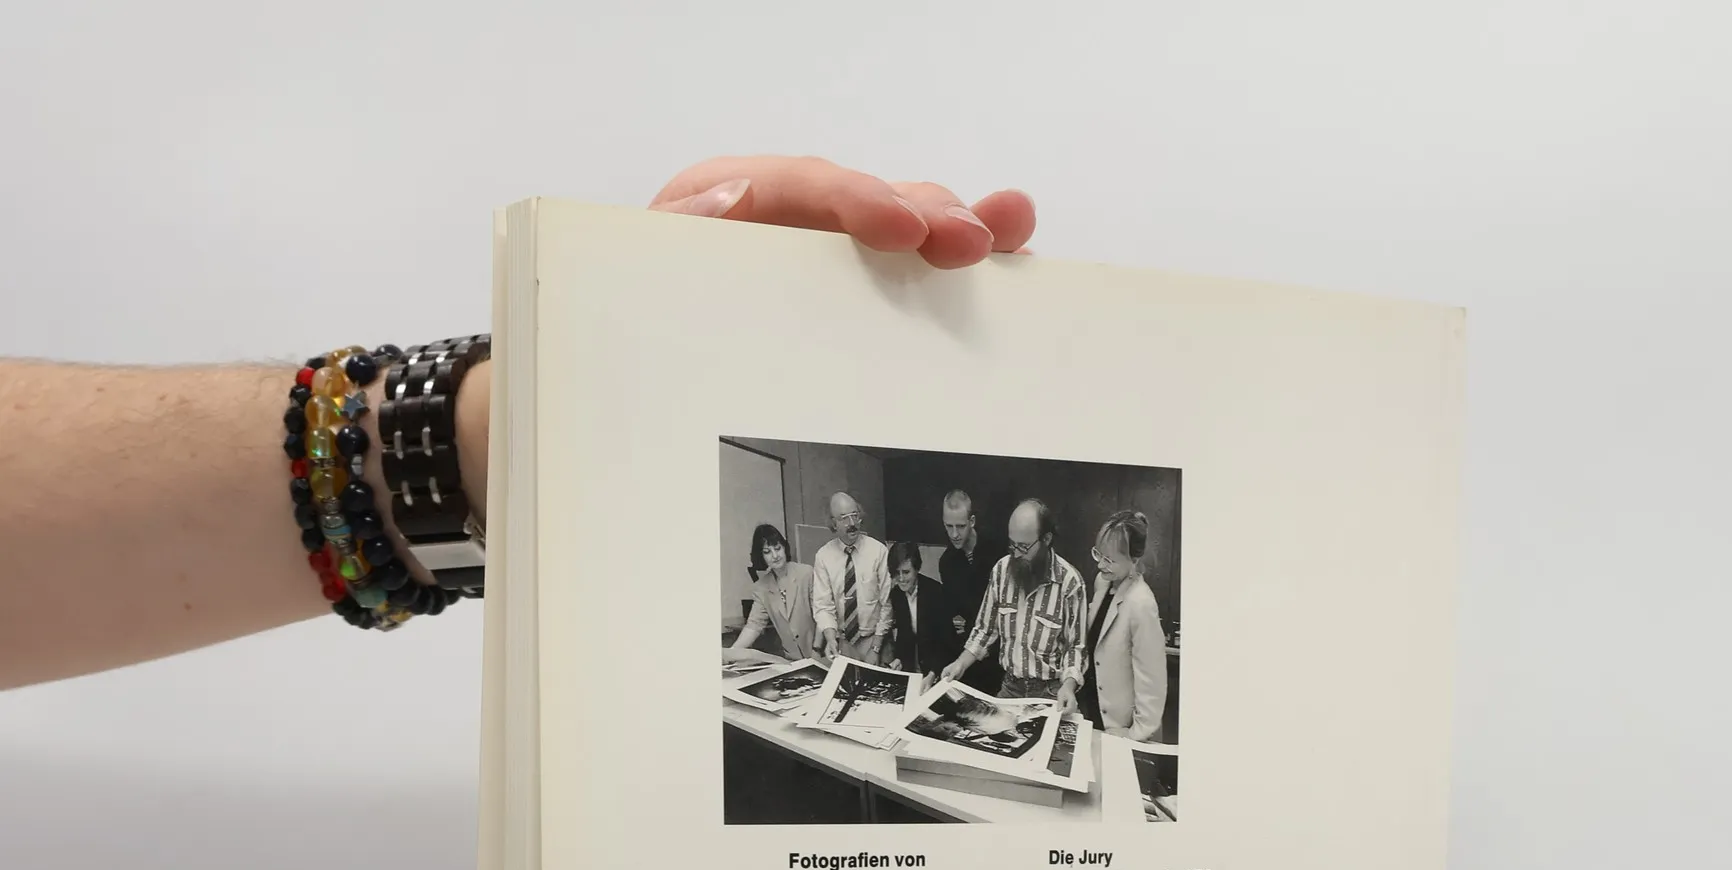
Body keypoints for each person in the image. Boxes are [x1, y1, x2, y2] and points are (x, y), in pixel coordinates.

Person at [0, 156, 1038, 692]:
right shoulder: (789, 576)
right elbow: (773, 626)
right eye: (832, 524)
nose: (836, 535)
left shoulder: (877, 565)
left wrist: (499, 434)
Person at [938, 498, 1088, 709]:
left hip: (1051, 692)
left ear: (1046, 539)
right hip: (1010, 687)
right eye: (1012, 545)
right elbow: (985, 630)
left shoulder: (1070, 582)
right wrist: (959, 664)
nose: (1016, 554)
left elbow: (1076, 647)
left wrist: (1069, 686)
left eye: (1024, 547)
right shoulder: (1001, 570)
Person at [1080, 510, 1168, 740]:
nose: (1100, 564)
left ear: (1134, 560)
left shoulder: (1141, 603)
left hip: (1120, 727)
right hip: (1093, 711)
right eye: (1098, 554)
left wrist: (1134, 734)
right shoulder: (1104, 583)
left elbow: (1152, 682)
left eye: (1110, 560)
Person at [810, 492, 895, 665]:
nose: (852, 523)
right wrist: (831, 639)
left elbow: (887, 603)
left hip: (876, 639)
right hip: (843, 643)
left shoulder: (878, 551)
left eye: (855, 515)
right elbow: (823, 606)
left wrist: (875, 648)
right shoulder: (823, 557)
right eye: (844, 518)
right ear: (833, 522)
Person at [934, 488, 1002, 692]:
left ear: (972, 521)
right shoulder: (946, 562)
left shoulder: (998, 550)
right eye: (949, 526)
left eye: (960, 526)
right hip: (970, 653)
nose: (954, 534)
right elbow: (955, 614)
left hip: (1002, 653)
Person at [730, 523, 818, 660]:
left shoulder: (806, 573)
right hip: (793, 658)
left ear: (784, 548)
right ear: (761, 556)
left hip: (820, 652)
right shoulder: (761, 587)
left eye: (778, 548)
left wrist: (817, 649)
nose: (775, 555)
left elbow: (821, 614)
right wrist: (731, 653)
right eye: (767, 552)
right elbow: (754, 625)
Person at [885, 540, 956, 678]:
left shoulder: (935, 591)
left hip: (942, 666)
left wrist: (933, 673)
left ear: (917, 569)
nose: (901, 579)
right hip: (915, 667)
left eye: (906, 572)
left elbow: (946, 640)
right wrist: (899, 658)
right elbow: (904, 634)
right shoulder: (896, 594)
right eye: (896, 573)